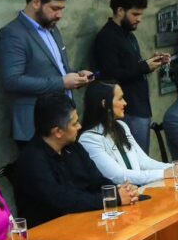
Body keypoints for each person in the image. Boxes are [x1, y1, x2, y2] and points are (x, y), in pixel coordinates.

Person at [13, 94, 140, 227]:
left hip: (86, 221)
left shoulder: (73, 147)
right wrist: (113, 198)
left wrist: (121, 191)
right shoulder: (32, 161)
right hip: (52, 230)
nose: (80, 126)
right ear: (58, 132)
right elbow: (62, 201)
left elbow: (97, 180)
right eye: (74, 124)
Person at [0, 0, 93, 145]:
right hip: (34, 127)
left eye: (62, 9)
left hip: (63, 123)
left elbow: (57, 68)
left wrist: (77, 75)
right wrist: (62, 82)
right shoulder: (12, 33)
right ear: (36, 2)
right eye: (55, 8)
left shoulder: (52, 28)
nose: (59, 15)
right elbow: (12, 81)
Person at [92, 0, 169, 155]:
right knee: (135, 159)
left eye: (140, 14)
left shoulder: (129, 35)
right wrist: (144, 67)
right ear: (120, 10)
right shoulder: (107, 37)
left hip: (139, 106)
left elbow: (130, 66)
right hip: (127, 110)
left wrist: (151, 62)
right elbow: (111, 74)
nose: (139, 19)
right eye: (135, 14)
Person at [79, 80, 178, 186]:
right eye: (120, 99)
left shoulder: (122, 126)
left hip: (138, 190)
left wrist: (173, 168)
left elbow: (144, 161)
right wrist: (163, 173)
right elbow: (118, 176)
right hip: (119, 194)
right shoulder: (88, 139)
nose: (125, 103)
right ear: (104, 104)